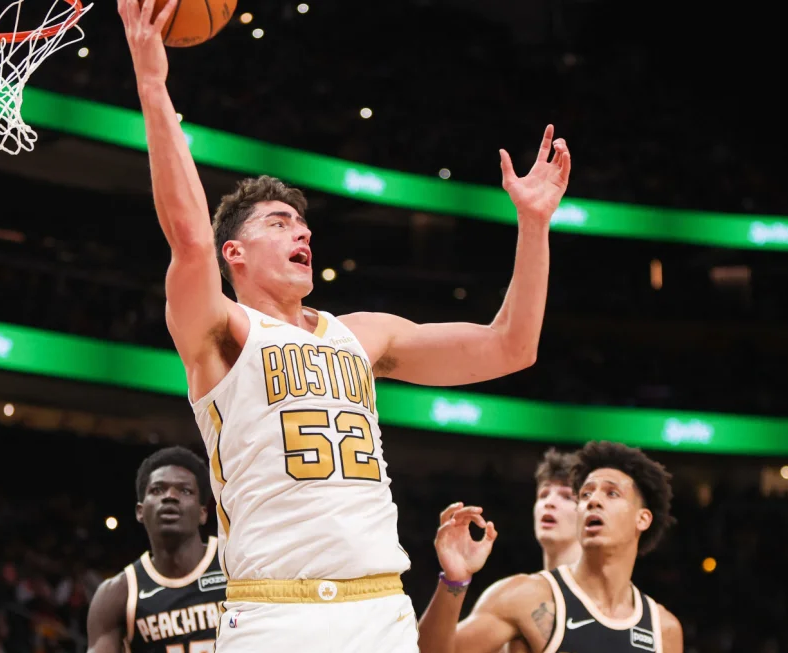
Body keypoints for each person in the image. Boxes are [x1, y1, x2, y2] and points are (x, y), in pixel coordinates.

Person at [117, 0, 571, 649]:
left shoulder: (363, 334)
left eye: (303, 225)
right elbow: (189, 238)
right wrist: (152, 83)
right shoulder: (221, 331)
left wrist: (534, 225)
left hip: (378, 606)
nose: (301, 232)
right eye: (278, 223)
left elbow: (510, 346)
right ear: (233, 253)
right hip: (273, 610)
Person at [415, 441, 683, 653]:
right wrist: (454, 581)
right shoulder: (523, 597)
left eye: (611, 493)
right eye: (585, 494)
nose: (593, 501)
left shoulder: (664, 629)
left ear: (643, 519)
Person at [418, 448, 581, 653]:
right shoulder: (518, 597)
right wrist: (454, 580)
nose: (549, 503)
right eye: (543, 494)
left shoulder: (621, 606)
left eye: (566, 496)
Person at [86, 447, 226, 653]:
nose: (170, 496)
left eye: (185, 491)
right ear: (140, 511)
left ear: (203, 512)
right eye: (157, 490)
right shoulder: (117, 593)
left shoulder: (232, 565)